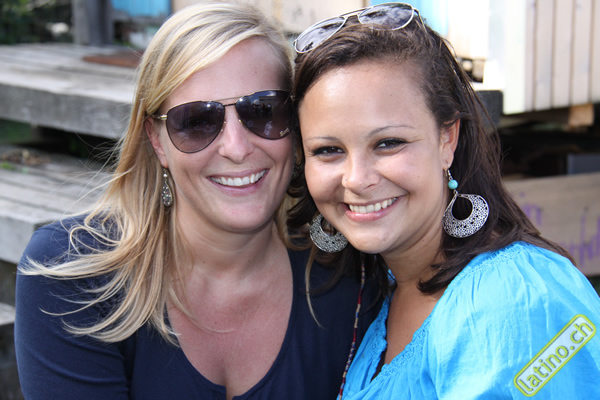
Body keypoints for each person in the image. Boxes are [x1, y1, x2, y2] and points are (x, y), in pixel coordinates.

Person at [14, 2, 380, 399]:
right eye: (197, 122)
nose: (236, 148)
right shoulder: (70, 276)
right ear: (157, 142)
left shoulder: (350, 272)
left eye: (263, 111)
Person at [289, 2, 600, 398]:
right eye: (328, 150)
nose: (356, 179)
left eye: (388, 143)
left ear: (446, 139)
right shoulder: (384, 289)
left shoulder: (511, 300)